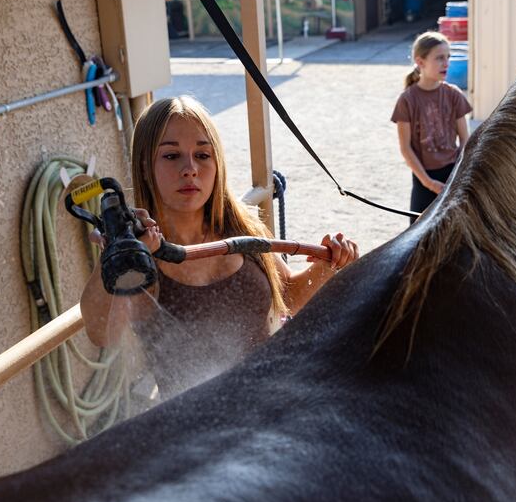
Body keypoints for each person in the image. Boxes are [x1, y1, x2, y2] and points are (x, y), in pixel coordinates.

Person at [81, 96, 359, 399]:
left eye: (202, 155)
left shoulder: (243, 228)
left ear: (218, 164)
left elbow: (288, 295)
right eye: (171, 156)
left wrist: (328, 265)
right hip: (194, 429)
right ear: (146, 167)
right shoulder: (136, 253)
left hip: (273, 402)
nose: (190, 169)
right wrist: (114, 258)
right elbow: (101, 333)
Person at [391, 31, 472, 224]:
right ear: (420, 62)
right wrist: (429, 183)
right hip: (423, 179)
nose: (446, 63)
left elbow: (466, 141)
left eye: (448, 57)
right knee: (418, 239)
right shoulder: (407, 100)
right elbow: (406, 148)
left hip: (453, 176)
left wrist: (459, 176)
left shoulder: (454, 95)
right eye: (439, 58)